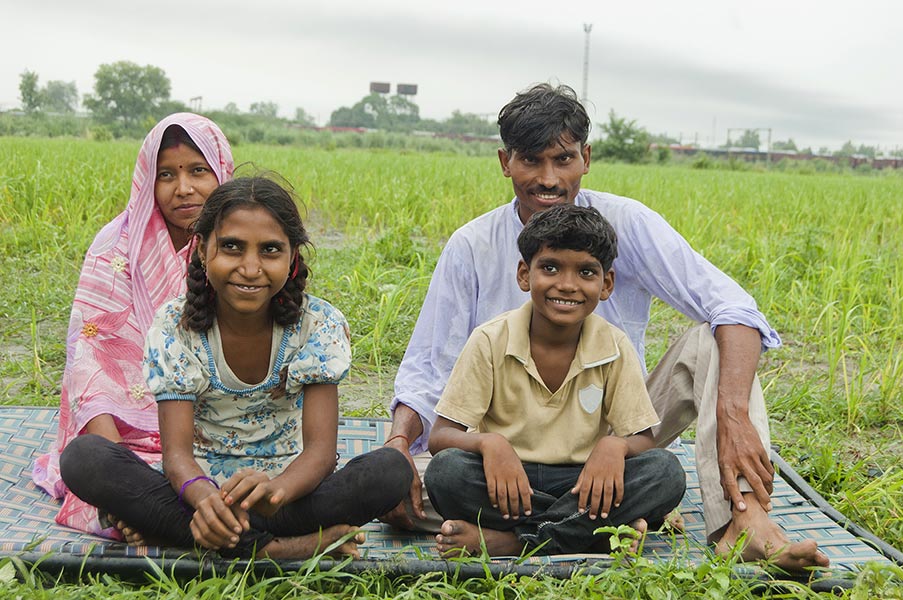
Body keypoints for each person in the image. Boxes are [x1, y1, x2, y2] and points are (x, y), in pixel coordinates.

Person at [386, 84, 830, 570]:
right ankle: (606, 527)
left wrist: (732, 415)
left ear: (587, 157)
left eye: (563, 159)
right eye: (531, 161)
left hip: (615, 438)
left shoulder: (624, 223)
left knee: (711, 347)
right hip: (507, 456)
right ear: (505, 162)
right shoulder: (472, 246)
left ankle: (745, 523)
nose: (549, 179)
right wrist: (398, 446)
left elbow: (734, 308)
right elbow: (429, 369)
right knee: (398, 497)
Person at [59, 176, 412, 558]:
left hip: (287, 496)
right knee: (84, 457)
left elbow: (321, 454)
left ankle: (194, 537)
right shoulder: (176, 325)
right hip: (198, 492)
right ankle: (282, 549)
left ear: (292, 257)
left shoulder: (317, 324)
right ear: (201, 250)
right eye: (231, 247)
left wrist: (275, 491)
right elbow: (176, 456)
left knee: (390, 469)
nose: (250, 267)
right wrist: (204, 497)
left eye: (270, 251)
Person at [424, 204, 685, 556]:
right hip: (508, 482)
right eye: (550, 268)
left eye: (586, 273)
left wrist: (614, 446)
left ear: (606, 284)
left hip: (582, 484)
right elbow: (441, 436)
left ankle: (513, 542)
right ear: (524, 275)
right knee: (445, 474)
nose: (567, 285)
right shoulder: (490, 340)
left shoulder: (614, 346)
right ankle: (595, 535)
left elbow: (642, 441)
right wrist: (490, 445)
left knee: (665, 472)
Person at [33, 113, 235, 538]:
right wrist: (115, 459)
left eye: (198, 170)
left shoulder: (237, 244)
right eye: (167, 174)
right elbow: (90, 367)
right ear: (148, 179)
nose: (184, 188)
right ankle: (144, 501)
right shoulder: (115, 248)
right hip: (126, 434)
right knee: (94, 462)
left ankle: (151, 513)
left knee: (247, 472)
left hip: (217, 426)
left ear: (221, 171)